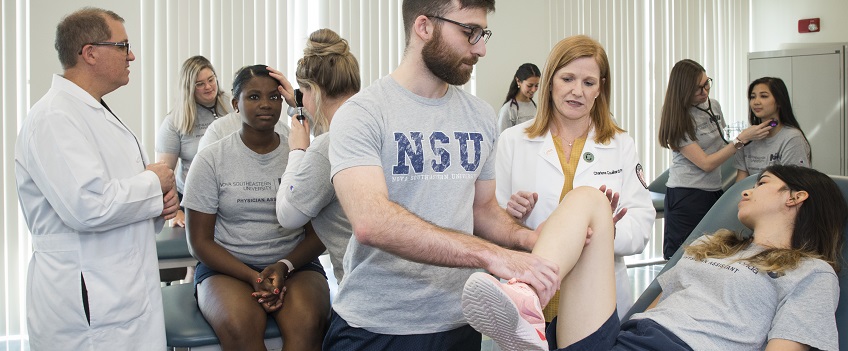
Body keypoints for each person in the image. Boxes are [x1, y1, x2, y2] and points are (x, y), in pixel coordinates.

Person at [323, 1, 561, 350]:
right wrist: (493, 256)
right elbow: (371, 222)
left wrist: (527, 239)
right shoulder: (362, 114)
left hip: (458, 322)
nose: (481, 48)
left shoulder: (479, 116)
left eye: (484, 34)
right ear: (424, 27)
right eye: (470, 33)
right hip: (376, 328)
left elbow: (483, 211)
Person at [463, 164, 845, 351]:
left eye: (762, 184)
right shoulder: (714, 244)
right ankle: (528, 295)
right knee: (588, 198)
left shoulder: (810, 273)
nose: (745, 191)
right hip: (623, 341)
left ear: (796, 197)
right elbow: (656, 309)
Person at [15, 7, 179, 350]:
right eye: (123, 46)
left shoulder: (92, 111)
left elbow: (119, 193)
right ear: (90, 52)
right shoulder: (54, 118)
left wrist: (160, 201)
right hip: (88, 306)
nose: (131, 55)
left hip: (120, 290)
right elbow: (88, 206)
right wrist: (153, 182)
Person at [498, 35, 654, 321]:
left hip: (596, 298)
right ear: (550, 82)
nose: (577, 91)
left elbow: (642, 223)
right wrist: (513, 216)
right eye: (567, 78)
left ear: (600, 88)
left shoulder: (620, 144)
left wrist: (608, 230)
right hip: (531, 301)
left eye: (588, 83)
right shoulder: (513, 141)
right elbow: (490, 222)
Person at [182, 65, 330, 351]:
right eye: (253, 97)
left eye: (274, 98)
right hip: (227, 268)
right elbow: (198, 241)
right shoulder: (211, 159)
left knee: (308, 324)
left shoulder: (300, 156)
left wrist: (284, 266)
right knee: (240, 329)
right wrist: (253, 276)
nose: (265, 104)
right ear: (236, 104)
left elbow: (318, 234)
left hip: (294, 265)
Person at [657, 59, 772, 259]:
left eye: (706, 83)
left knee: (712, 253)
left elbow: (722, 141)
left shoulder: (713, 106)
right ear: (683, 91)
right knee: (681, 257)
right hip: (687, 194)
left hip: (713, 190)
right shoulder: (679, 119)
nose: (705, 92)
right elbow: (706, 163)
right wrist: (741, 140)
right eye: (697, 89)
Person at [271, 28, 360, 284]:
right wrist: (297, 105)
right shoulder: (373, 125)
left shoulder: (324, 149)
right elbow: (332, 127)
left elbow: (288, 216)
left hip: (364, 295)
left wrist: (298, 151)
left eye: (304, 92)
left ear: (315, 91)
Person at [156, 55, 231, 227]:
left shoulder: (234, 106)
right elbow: (165, 173)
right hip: (193, 199)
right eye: (200, 84)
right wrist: (176, 212)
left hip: (230, 195)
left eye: (211, 79)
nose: (208, 87)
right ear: (189, 88)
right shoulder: (174, 121)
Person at [735, 77, 811, 182]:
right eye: (753, 97)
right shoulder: (747, 137)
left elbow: (793, 184)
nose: (756, 102)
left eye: (764, 96)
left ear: (779, 102)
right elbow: (741, 182)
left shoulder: (792, 137)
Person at [497, 63, 541, 133]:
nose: (533, 89)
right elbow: (501, 140)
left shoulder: (537, 108)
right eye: (530, 85)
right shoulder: (508, 110)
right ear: (518, 81)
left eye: (536, 85)